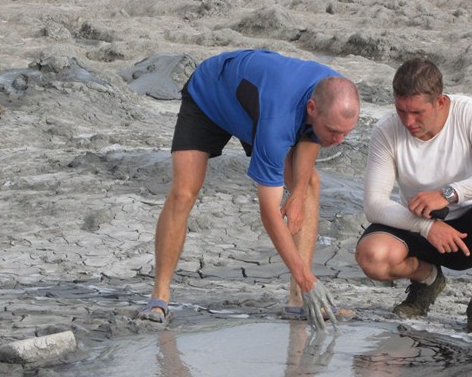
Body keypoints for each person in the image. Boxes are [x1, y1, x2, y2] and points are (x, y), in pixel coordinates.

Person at [138, 49, 360, 330]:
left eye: (346, 133)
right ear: (312, 108)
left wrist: (299, 193)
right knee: (184, 191)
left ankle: (297, 301)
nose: (339, 141)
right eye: (334, 131)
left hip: (258, 107)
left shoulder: (332, 94)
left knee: (309, 184)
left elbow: (311, 136)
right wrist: (308, 279)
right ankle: (159, 297)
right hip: (210, 95)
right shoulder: (276, 122)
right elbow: (269, 213)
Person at [355, 57, 472, 335]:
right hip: (420, 225)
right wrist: (428, 226)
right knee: (372, 256)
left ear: (440, 103)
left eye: (417, 112)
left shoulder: (469, 113)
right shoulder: (386, 130)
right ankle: (428, 281)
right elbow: (374, 205)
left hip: (471, 231)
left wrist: (451, 193)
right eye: (401, 111)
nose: (408, 121)